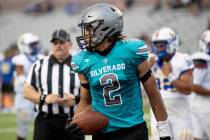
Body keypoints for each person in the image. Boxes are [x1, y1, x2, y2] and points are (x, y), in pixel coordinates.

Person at [66, 3, 172, 140]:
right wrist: (76, 121)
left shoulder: (132, 51)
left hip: (133, 131)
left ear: (104, 28)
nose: (84, 34)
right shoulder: (82, 60)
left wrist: (164, 130)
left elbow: (153, 94)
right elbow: (86, 100)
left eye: (88, 29)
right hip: (102, 133)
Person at [23, 29, 84, 140]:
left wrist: (75, 99)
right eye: (55, 43)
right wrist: (44, 98)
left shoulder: (80, 65)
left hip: (74, 120)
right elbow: (26, 91)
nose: (58, 46)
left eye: (62, 42)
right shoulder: (39, 65)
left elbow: (91, 93)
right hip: (46, 122)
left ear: (70, 44)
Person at [150, 27, 193, 140]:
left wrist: (170, 76)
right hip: (157, 113)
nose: (158, 48)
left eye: (162, 45)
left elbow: (188, 89)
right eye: (156, 45)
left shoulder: (182, 59)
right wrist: (146, 68)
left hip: (180, 113)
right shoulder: (150, 60)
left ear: (172, 43)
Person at [12, 33, 43, 140]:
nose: (35, 46)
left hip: (37, 96)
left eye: (35, 44)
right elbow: (20, 78)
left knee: (40, 127)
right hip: (24, 98)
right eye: (32, 44)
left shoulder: (41, 57)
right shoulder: (19, 59)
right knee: (23, 130)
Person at [190, 30, 210, 140]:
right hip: (204, 107)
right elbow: (194, 86)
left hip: (199, 106)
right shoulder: (203, 59)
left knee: (199, 137)